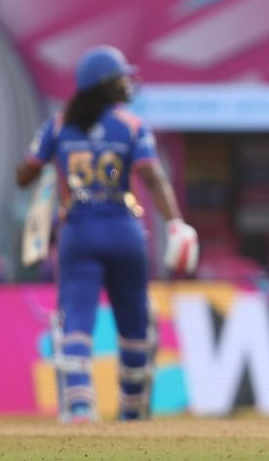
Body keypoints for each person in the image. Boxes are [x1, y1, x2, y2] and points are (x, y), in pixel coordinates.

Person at [15, 45, 200, 423]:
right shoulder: (131, 126)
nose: (127, 84)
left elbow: (24, 176)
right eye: (119, 79)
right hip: (123, 232)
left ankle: (80, 407)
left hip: (78, 233)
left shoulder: (58, 124)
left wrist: (50, 164)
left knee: (76, 320)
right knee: (134, 323)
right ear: (102, 85)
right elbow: (153, 176)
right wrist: (175, 222)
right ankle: (132, 411)